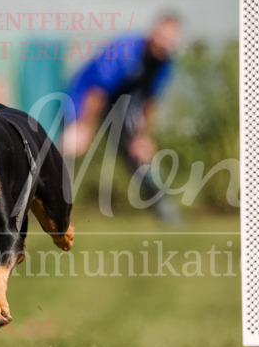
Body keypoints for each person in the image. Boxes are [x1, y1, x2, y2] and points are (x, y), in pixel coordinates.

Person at [60, 13, 182, 222]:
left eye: (170, 42)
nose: (164, 46)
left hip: (121, 104)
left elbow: (149, 102)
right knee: (70, 146)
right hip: (86, 96)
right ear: (153, 33)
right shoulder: (124, 50)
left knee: (140, 152)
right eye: (163, 39)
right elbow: (97, 92)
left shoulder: (164, 62)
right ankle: (37, 198)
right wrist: (84, 126)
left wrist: (142, 135)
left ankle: (163, 206)